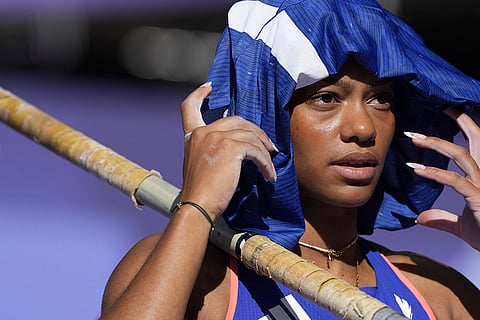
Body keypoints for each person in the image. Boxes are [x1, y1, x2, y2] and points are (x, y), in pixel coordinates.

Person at [99, 0, 480, 319]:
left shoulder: (438, 295)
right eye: (327, 98)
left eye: (381, 99)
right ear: (266, 115)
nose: (364, 127)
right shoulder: (199, 277)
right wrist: (196, 207)